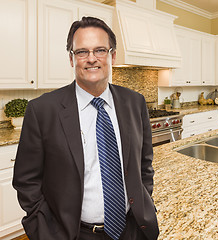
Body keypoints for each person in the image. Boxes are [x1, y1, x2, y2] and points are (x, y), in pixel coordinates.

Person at [12, 16, 159, 240]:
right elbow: (26, 180)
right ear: (72, 59)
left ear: (113, 55)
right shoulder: (42, 110)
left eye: (100, 50)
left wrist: (143, 201)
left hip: (133, 229)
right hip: (75, 233)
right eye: (82, 52)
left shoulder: (135, 102)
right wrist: (45, 232)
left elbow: (144, 164)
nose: (92, 59)